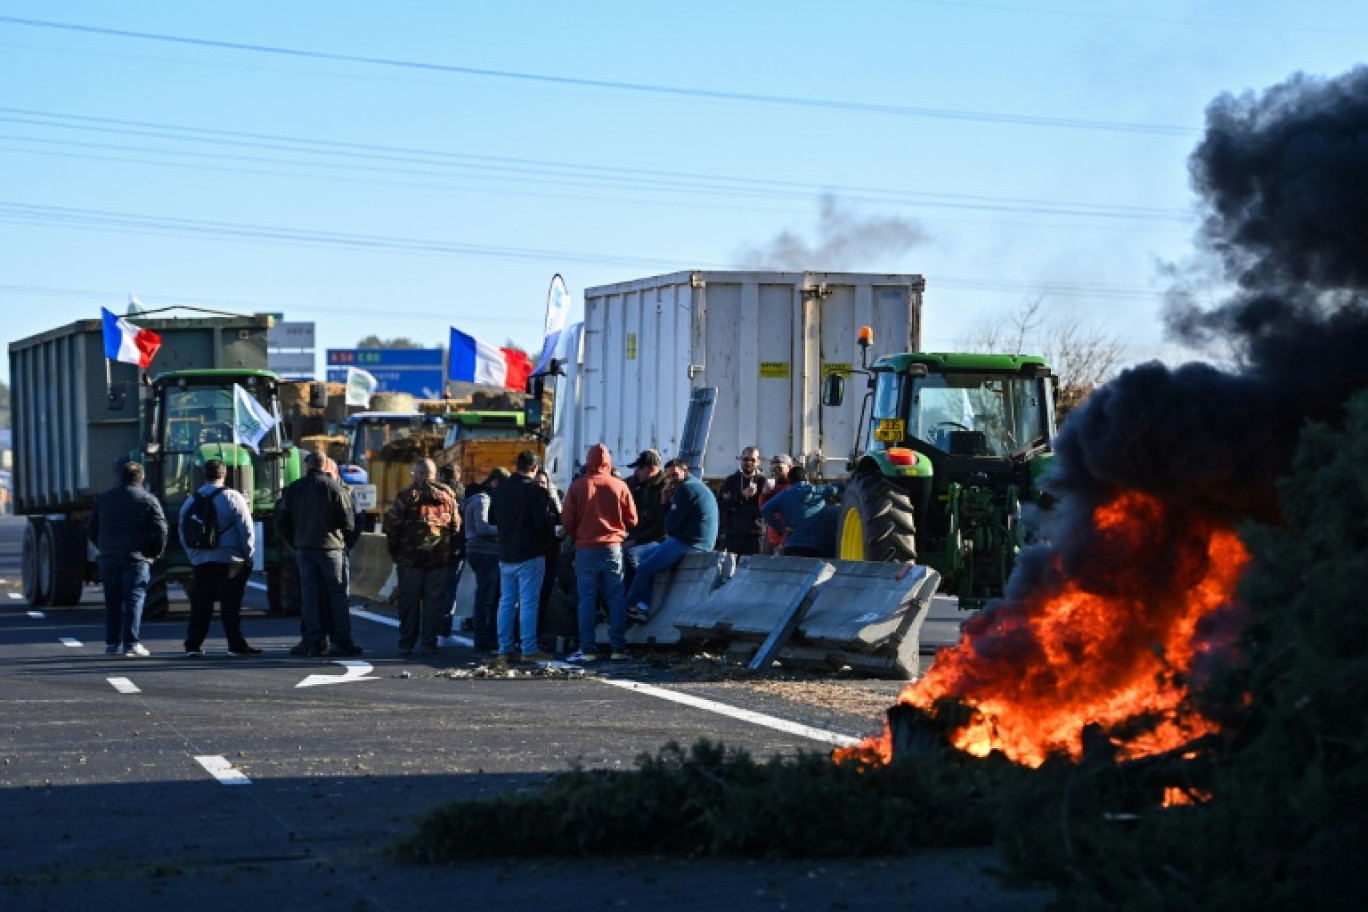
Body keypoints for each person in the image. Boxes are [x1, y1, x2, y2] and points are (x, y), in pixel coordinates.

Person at [559, 444, 638, 664]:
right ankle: (618, 648)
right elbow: (633, 520)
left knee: (587, 599)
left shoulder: (577, 487)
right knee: (616, 598)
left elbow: (567, 521)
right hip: (613, 547)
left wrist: (577, 535)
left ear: (589, 461)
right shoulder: (620, 485)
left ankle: (588, 649)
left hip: (585, 548)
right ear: (608, 462)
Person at [278, 450, 359, 657]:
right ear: (325, 465)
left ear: (307, 465)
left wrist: (297, 542)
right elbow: (348, 521)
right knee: (338, 595)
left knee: (309, 596)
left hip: (305, 549)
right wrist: (343, 542)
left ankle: (313, 641)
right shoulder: (335, 488)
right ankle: (341, 640)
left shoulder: (295, 488)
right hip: (331, 548)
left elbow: (283, 522)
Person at [179, 458, 260, 657]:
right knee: (230, 605)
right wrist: (248, 553)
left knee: (200, 606)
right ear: (224, 474)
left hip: (201, 560)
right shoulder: (233, 497)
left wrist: (193, 555)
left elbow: (183, 530)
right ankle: (235, 645)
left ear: (204, 475)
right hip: (229, 559)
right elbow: (246, 527)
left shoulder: (191, 500)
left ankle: (193, 645)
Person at [624, 458, 719, 624]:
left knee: (645, 566)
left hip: (689, 542)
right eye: (669, 477)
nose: (672, 480)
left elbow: (669, 527)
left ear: (686, 471)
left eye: (675, 475)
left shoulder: (686, 490)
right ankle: (642, 605)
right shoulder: (695, 486)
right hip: (695, 539)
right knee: (645, 557)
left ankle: (630, 606)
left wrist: (664, 502)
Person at [87, 460, 167, 657]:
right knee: (134, 599)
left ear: (120, 477)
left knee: (112, 602)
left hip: (109, 557)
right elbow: (161, 530)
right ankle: (131, 643)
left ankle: (112, 644)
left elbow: (91, 529)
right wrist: (155, 551)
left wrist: (104, 547)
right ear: (141, 478)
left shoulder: (104, 499)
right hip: (136, 558)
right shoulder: (148, 500)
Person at [385, 458, 462, 656]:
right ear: (433, 474)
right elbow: (455, 527)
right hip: (438, 559)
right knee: (434, 603)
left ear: (419, 474)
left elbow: (392, 526)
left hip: (411, 559)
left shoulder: (407, 495)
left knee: (409, 603)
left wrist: (395, 551)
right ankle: (429, 643)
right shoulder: (448, 496)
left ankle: (406, 643)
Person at [488, 449, 557, 661]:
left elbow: (492, 519)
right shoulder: (535, 491)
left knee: (506, 601)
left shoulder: (500, 490)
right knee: (529, 602)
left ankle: (505, 648)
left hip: (506, 552)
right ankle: (529, 648)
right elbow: (543, 524)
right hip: (530, 552)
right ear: (534, 468)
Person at [463, 467, 507, 654]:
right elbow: (482, 527)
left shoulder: (476, 498)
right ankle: (483, 640)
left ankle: (485, 638)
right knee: (487, 598)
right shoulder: (483, 500)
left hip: (479, 552)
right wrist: (505, 531)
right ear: (495, 483)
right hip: (485, 552)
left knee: (487, 596)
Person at [760, 466, 842, 558]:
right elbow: (838, 488)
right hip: (815, 547)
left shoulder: (784, 495)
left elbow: (765, 509)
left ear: (790, 481)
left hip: (792, 546)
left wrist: (781, 528)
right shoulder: (821, 490)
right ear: (806, 478)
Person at [622, 448, 667, 588]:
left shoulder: (665, 488)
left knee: (629, 554)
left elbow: (662, 527)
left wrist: (635, 541)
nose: (636, 472)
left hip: (659, 540)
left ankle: (634, 598)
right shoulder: (644, 486)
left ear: (651, 468)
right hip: (642, 538)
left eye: (640, 468)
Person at [436, 463, 466, 644]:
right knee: (449, 592)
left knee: (435, 591)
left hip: (435, 549)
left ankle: (431, 630)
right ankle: (444, 632)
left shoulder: (433, 493)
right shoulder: (460, 494)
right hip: (455, 549)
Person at [717, 445, 766, 555]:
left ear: (759, 461)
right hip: (732, 535)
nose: (748, 462)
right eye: (745, 459)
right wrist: (742, 496)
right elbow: (722, 506)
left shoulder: (762, 482)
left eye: (752, 460)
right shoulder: (731, 481)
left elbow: (761, 510)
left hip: (754, 535)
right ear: (741, 460)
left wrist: (735, 505)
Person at [757, 452, 795, 554]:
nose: (775, 473)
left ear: (790, 468)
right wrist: (764, 495)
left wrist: (782, 541)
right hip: (773, 540)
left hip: (782, 542)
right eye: (773, 470)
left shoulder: (792, 488)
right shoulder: (777, 487)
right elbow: (764, 510)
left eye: (779, 469)